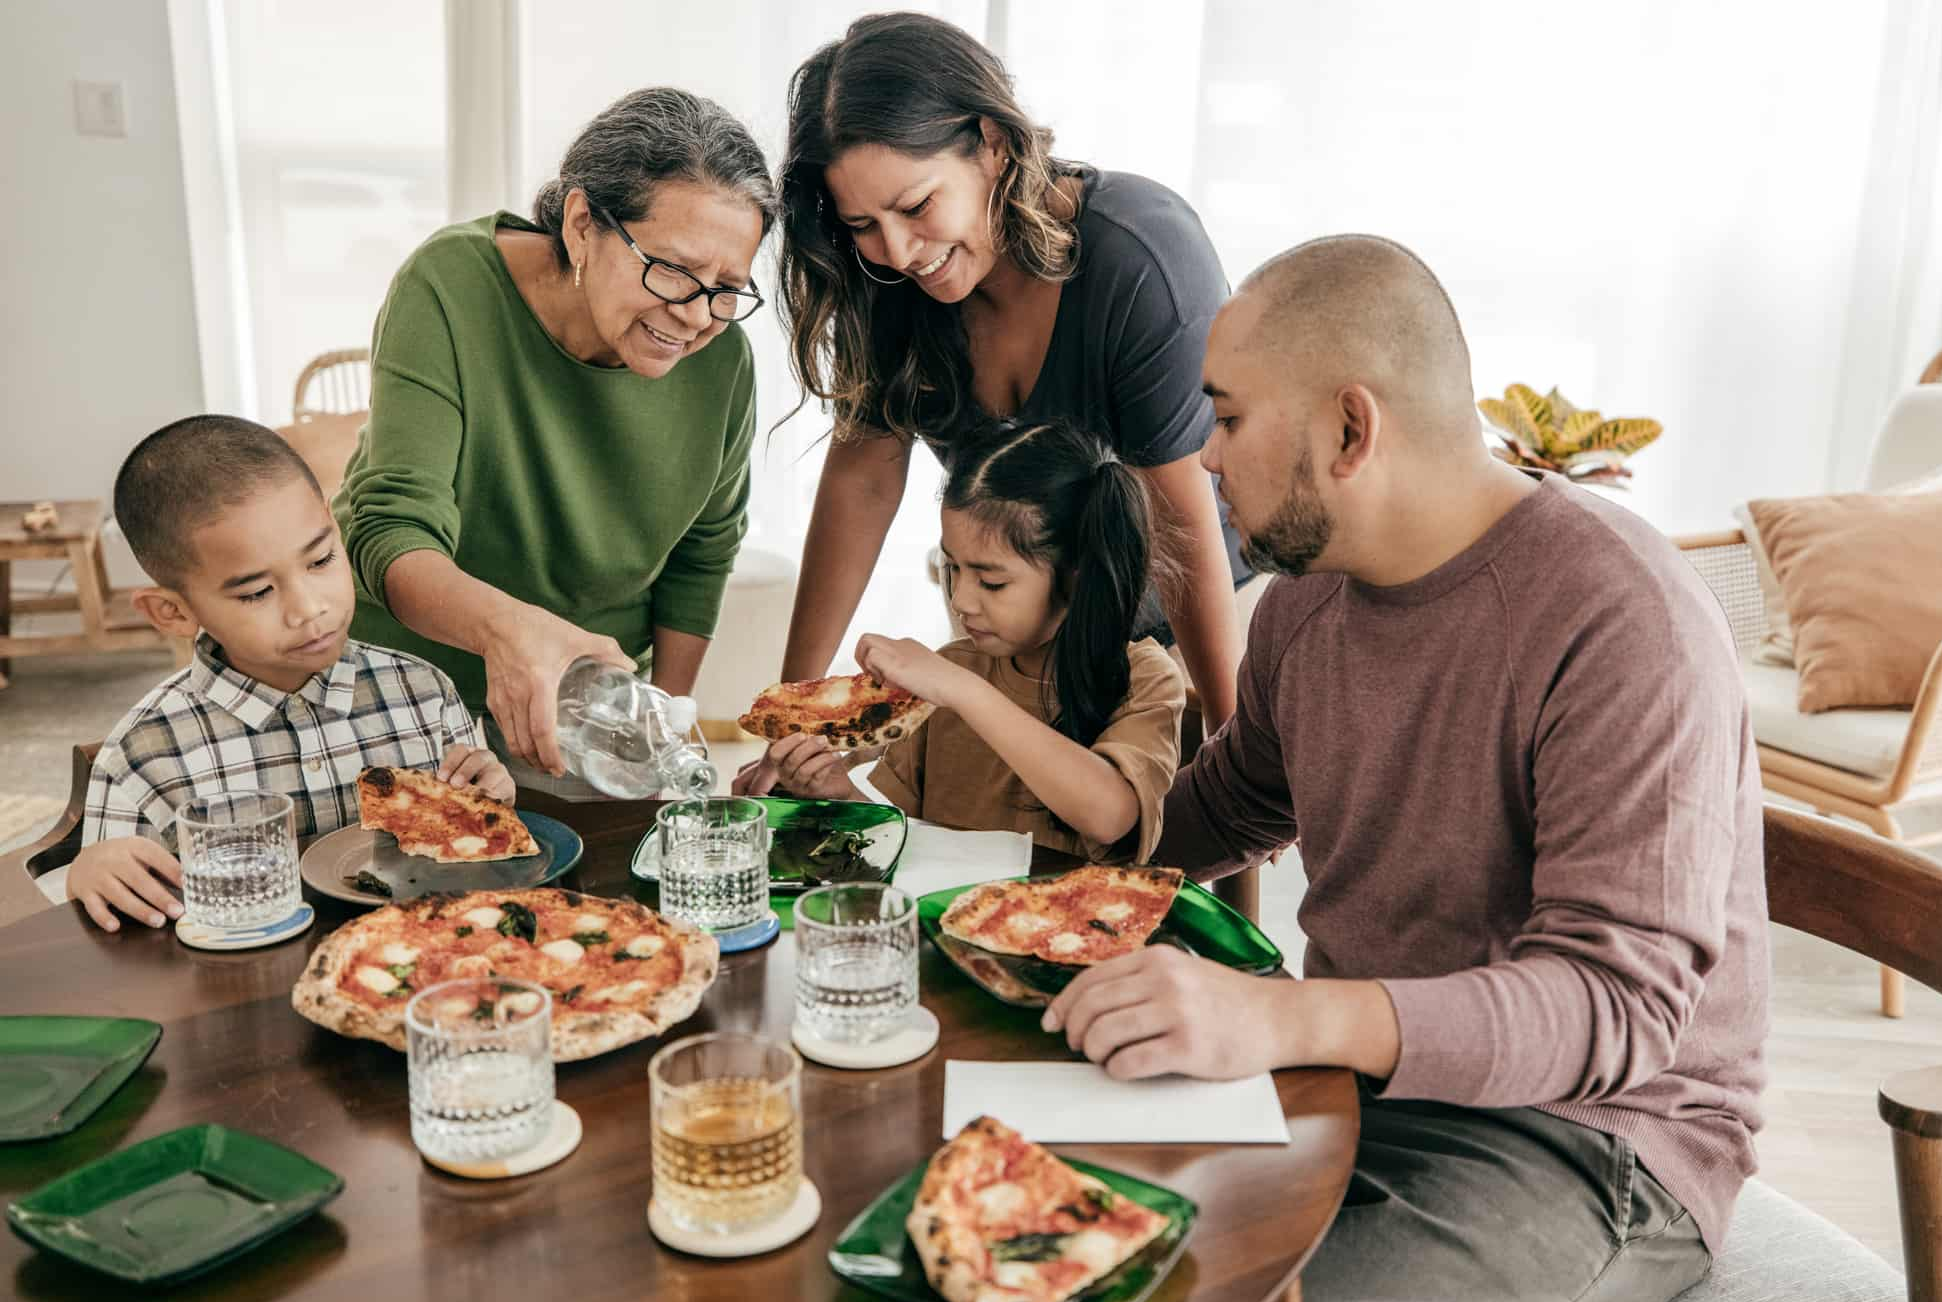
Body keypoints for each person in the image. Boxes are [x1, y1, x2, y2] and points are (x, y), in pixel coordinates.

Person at [1045, 237, 1771, 1302]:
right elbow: (1224, 807)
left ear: (1348, 429)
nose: (1202, 457)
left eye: (1225, 418)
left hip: (1593, 1145)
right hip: (1357, 1087)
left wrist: (1277, 1016)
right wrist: (1027, 875)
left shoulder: (1622, 619)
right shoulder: (1301, 602)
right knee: (1042, 1276)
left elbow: (1615, 1004)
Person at [775, 12, 1255, 727]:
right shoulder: (883, 280)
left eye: (916, 206)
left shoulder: (1140, 258)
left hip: (1200, 619)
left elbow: (1181, 523)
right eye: (863, 225)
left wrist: (1228, 742)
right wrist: (792, 710)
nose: (899, 252)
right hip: (1024, 623)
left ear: (992, 145)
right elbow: (864, 478)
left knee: (1179, 821)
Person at [337, 87, 774, 795]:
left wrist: (653, 724)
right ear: (580, 224)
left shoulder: (723, 364)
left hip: (579, 716)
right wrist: (512, 634)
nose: (695, 317)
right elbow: (392, 526)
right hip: (401, 698)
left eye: (727, 288)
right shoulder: (451, 287)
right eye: (673, 270)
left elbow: (702, 555)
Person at [68, 416, 506, 933]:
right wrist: (87, 872)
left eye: (320, 560)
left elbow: (468, 858)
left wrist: (488, 801)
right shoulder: (143, 756)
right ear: (173, 613)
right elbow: (106, 922)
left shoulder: (424, 695)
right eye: (256, 592)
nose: (309, 609)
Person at [735, 420, 1184, 864]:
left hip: (1077, 928)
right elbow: (905, 844)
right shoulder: (949, 674)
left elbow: (1109, 816)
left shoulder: (1143, 678)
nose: (961, 600)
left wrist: (964, 692)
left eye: (991, 582)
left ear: (1076, 577)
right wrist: (837, 796)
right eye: (951, 569)